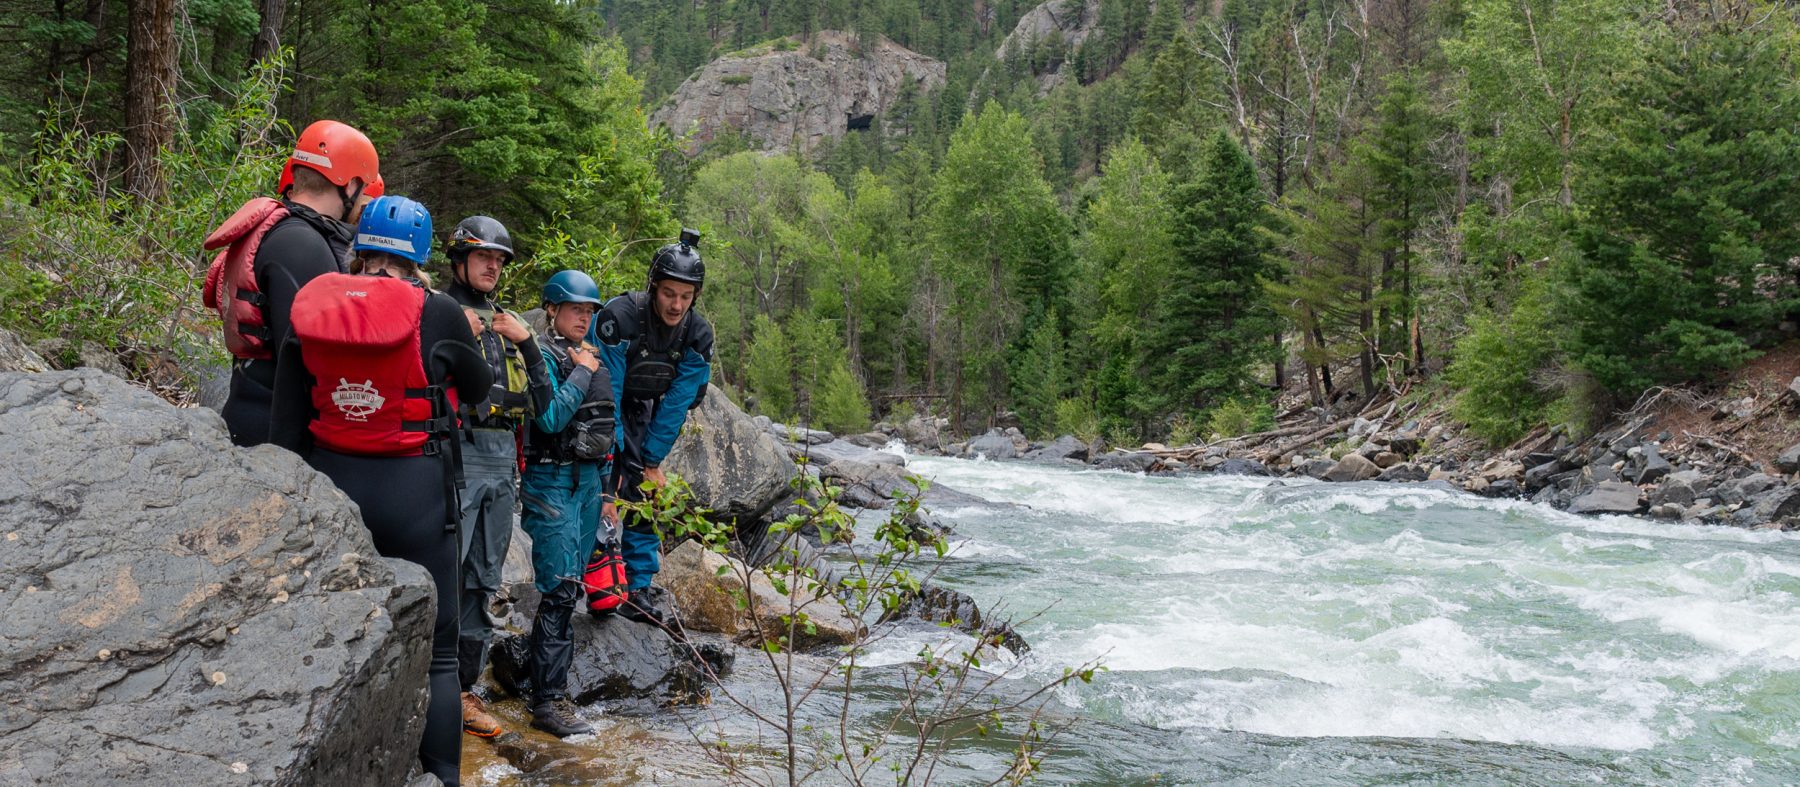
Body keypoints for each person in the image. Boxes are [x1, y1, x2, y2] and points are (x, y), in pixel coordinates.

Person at [269, 195, 489, 786]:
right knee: (440, 657)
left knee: (325, 638)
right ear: (417, 257)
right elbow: (478, 389)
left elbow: (284, 427)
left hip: (332, 493)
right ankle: (440, 778)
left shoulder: (312, 302)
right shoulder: (437, 311)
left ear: (359, 248)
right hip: (416, 496)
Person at [441, 215, 553, 738]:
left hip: (501, 461)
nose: (493, 265)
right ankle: (429, 682)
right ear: (460, 259)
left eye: (500, 259)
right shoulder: (437, 310)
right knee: (445, 570)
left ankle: (462, 690)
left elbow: (546, 404)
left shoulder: (510, 323)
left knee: (483, 578)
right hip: (453, 453)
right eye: (484, 256)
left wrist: (528, 344)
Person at [206, 119, 382, 447]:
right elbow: (313, 360)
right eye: (364, 190)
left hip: (251, 407)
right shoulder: (303, 245)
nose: (363, 205)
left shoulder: (282, 230)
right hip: (275, 430)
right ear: (350, 184)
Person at [590, 229, 714, 626]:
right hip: (600, 404)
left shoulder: (697, 335)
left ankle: (638, 586)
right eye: (668, 294)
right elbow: (607, 392)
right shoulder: (620, 317)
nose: (677, 304)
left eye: (686, 296)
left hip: (648, 407)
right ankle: (589, 573)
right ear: (653, 287)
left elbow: (678, 403)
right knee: (603, 489)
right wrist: (619, 465)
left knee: (645, 492)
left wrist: (651, 461)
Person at [518, 270, 616, 736]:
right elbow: (552, 418)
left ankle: (549, 688)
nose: (584, 317)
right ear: (553, 309)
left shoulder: (591, 357)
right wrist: (582, 370)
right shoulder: (537, 354)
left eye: (589, 310)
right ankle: (547, 704)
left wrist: (608, 494)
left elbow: (603, 431)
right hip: (549, 482)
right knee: (558, 589)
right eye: (576, 308)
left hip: (587, 484)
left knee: (572, 587)